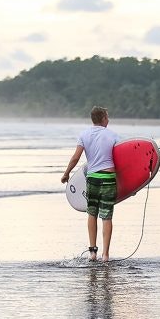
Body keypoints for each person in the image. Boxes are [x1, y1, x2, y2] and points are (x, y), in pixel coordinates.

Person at [61, 106, 120, 261]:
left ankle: (92, 253)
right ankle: (105, 255)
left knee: (92, 213)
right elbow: (122, 161)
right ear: (103, 119)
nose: (109, 119)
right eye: (107, 117)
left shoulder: (84, 135)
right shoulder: (113, 135)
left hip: (92, 178)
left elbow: (75, 158)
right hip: (108, 178)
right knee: (106, 216)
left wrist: (66, 174)